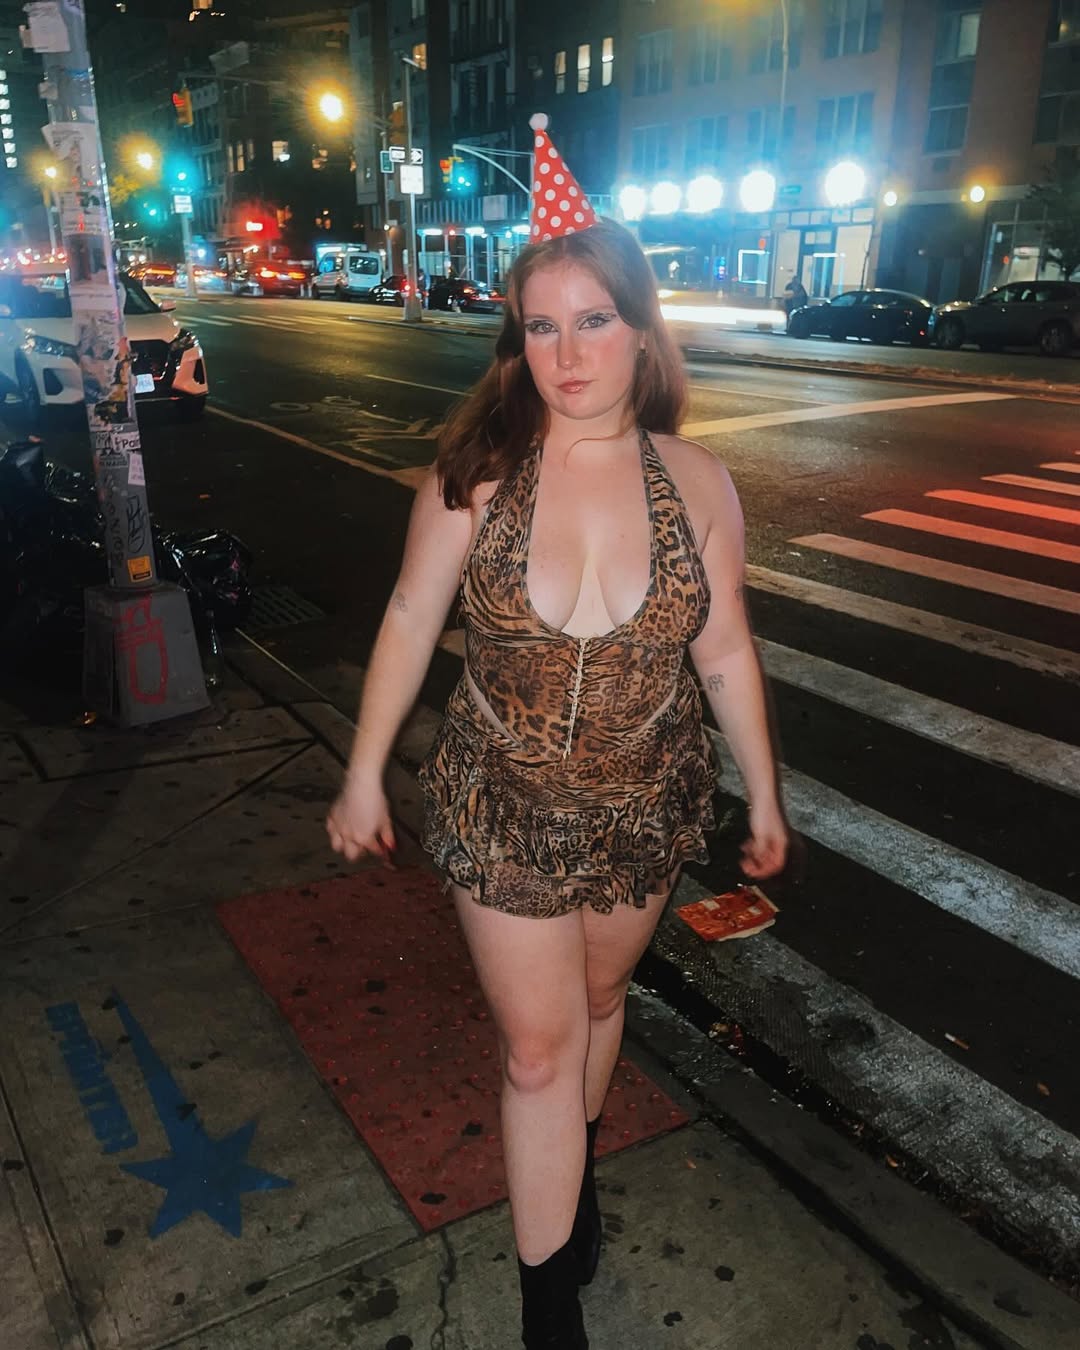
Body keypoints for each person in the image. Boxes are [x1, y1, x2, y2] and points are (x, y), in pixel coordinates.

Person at [327, 115, 789, 1349]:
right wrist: (364, 771)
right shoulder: (477, 473)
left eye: (593, 320)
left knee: (598, 1000)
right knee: (538, 1050)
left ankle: (567, 1182)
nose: (568, 354)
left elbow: (724, 650)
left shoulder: (699, 483)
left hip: (645, 805)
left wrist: (764, 795)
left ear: (641, 328)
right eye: (541, 326)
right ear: (516, 337)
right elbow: (411, 615)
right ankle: (547, 1305)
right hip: (503, 807)